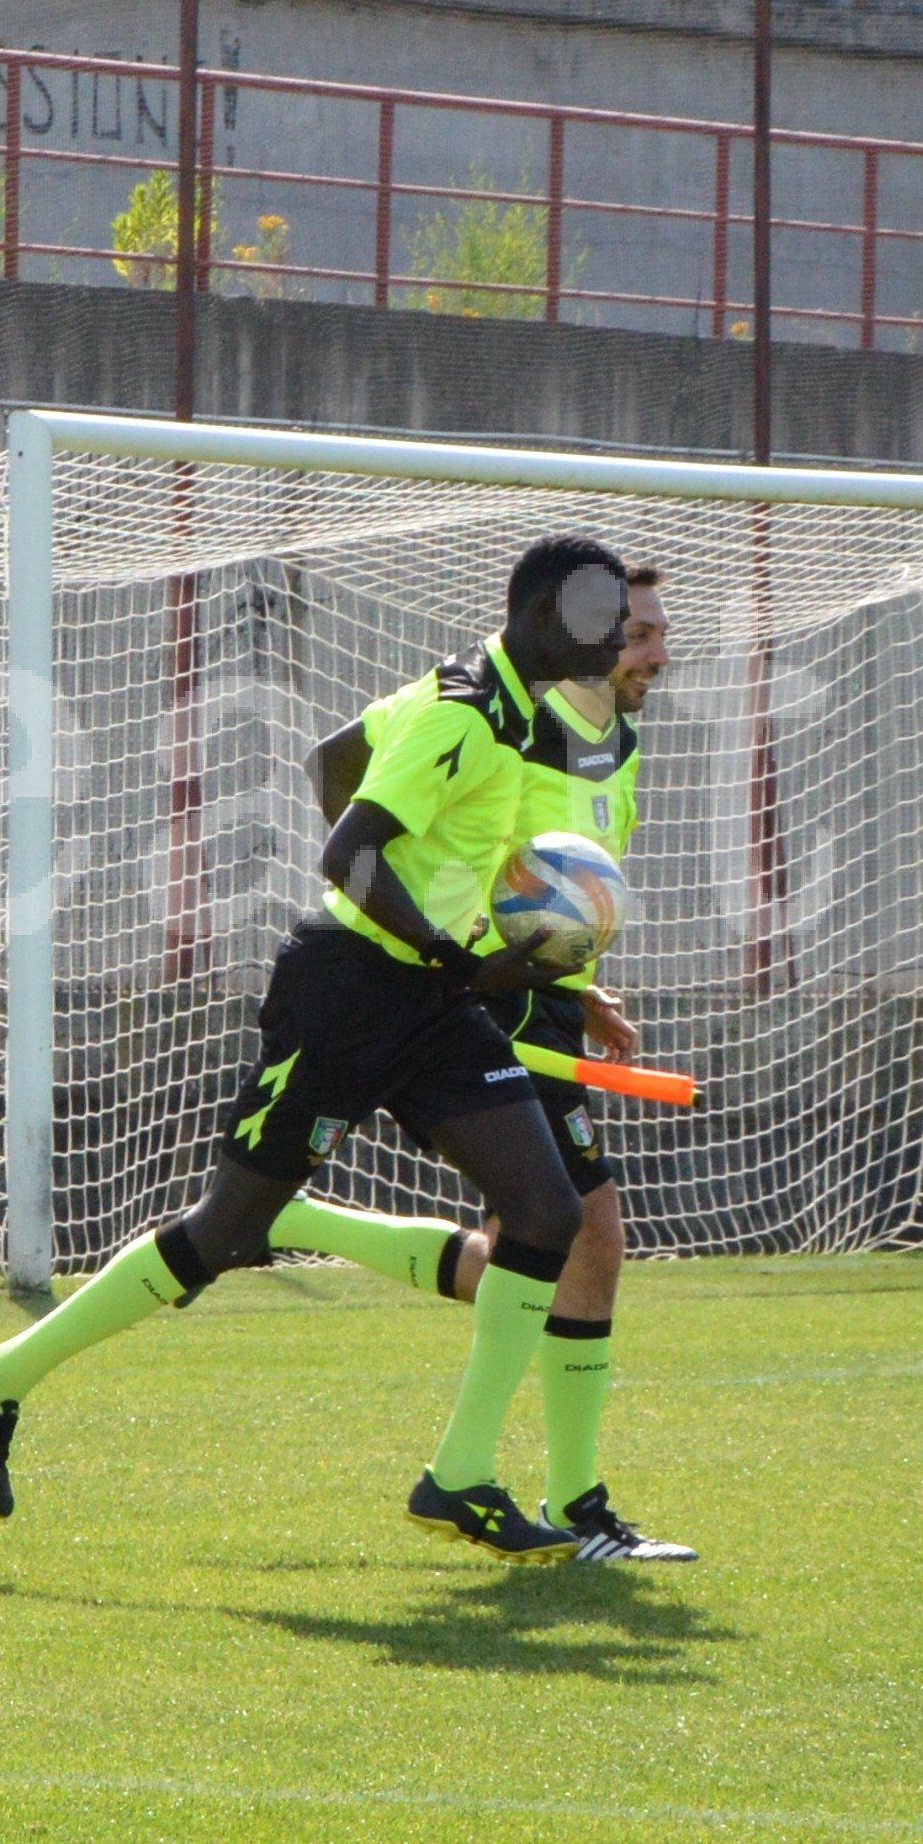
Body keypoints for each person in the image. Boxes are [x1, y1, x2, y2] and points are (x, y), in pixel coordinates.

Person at [0, 532, 692, 1567]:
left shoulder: (507, 709)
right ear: (538, 619)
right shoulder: (465, 717)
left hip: (430, 998)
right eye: (606, 621)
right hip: (349, 990)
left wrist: (474, 952)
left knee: (550, 1210)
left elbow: (338, 758)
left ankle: (461, 1476)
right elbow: (348, 851)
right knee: (221, 1233)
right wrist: (444, 949)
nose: (620, 640)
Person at [234, 571, 679, 1527]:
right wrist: (458, 962)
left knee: (544, 1241)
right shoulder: (501, 726)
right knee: (582, 1235)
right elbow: (440, 841)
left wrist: (577, 979)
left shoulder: (621, 749)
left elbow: (556, 894)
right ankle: (567, 1501)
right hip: (490, 1000)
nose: (649, 655)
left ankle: (297, 1224)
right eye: (635, 634)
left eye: (650, 636)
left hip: (543, 998)